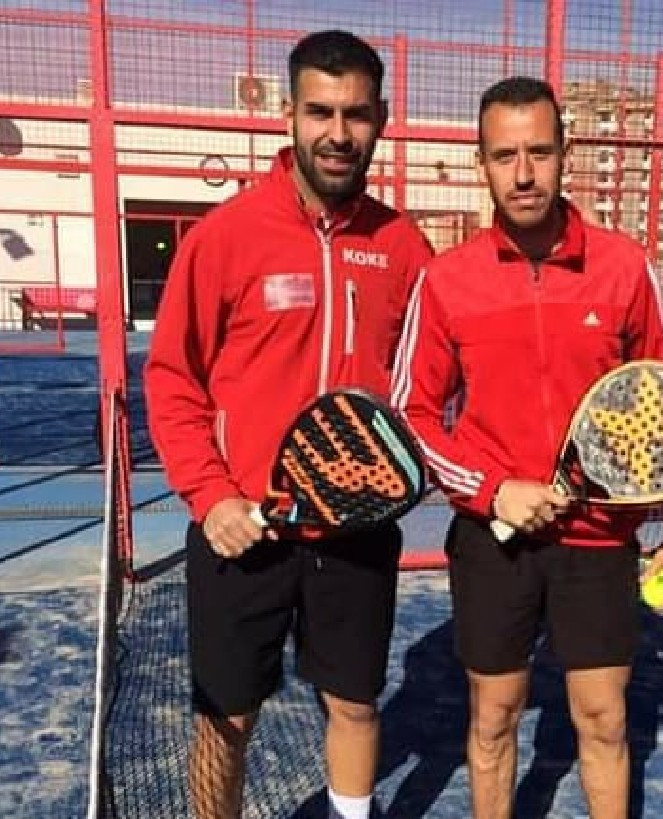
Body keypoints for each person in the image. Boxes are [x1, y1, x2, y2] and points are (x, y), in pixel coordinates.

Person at [391, 76, 663, 819]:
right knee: (494, 718)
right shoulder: (446, 280)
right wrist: (493, 491)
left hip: (599, 537)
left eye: (539, 152)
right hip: (492, 540)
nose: (523, 173)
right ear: (482, 163)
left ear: (567, 152)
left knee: (603, 719)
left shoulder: (624, 267)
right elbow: (411, 413)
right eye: (505, 156)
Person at [144, 30, 432, 819]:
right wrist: (211, 496)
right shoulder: (224, 237)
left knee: (356, 707)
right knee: (225, 720)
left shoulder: (403, 245)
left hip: (357, 530)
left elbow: (430, 387)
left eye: (356, 114)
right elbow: (172, 379)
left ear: (380, 119)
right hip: (244, 529)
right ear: (288, 114)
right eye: (319, 111)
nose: (338, 132)